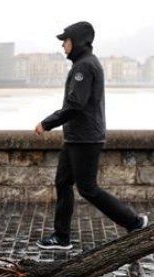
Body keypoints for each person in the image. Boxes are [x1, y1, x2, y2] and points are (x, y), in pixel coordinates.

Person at [34, 21, 147, 251]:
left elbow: (76, 105)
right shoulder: (83, 64)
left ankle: (134, 222)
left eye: (65, 41)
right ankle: (61, 237)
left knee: (88, 188)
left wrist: (47, 123)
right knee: (63, 183)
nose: (63, 46)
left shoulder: (84, 67)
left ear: (76, 41)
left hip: (85, 138)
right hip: (77, 137)